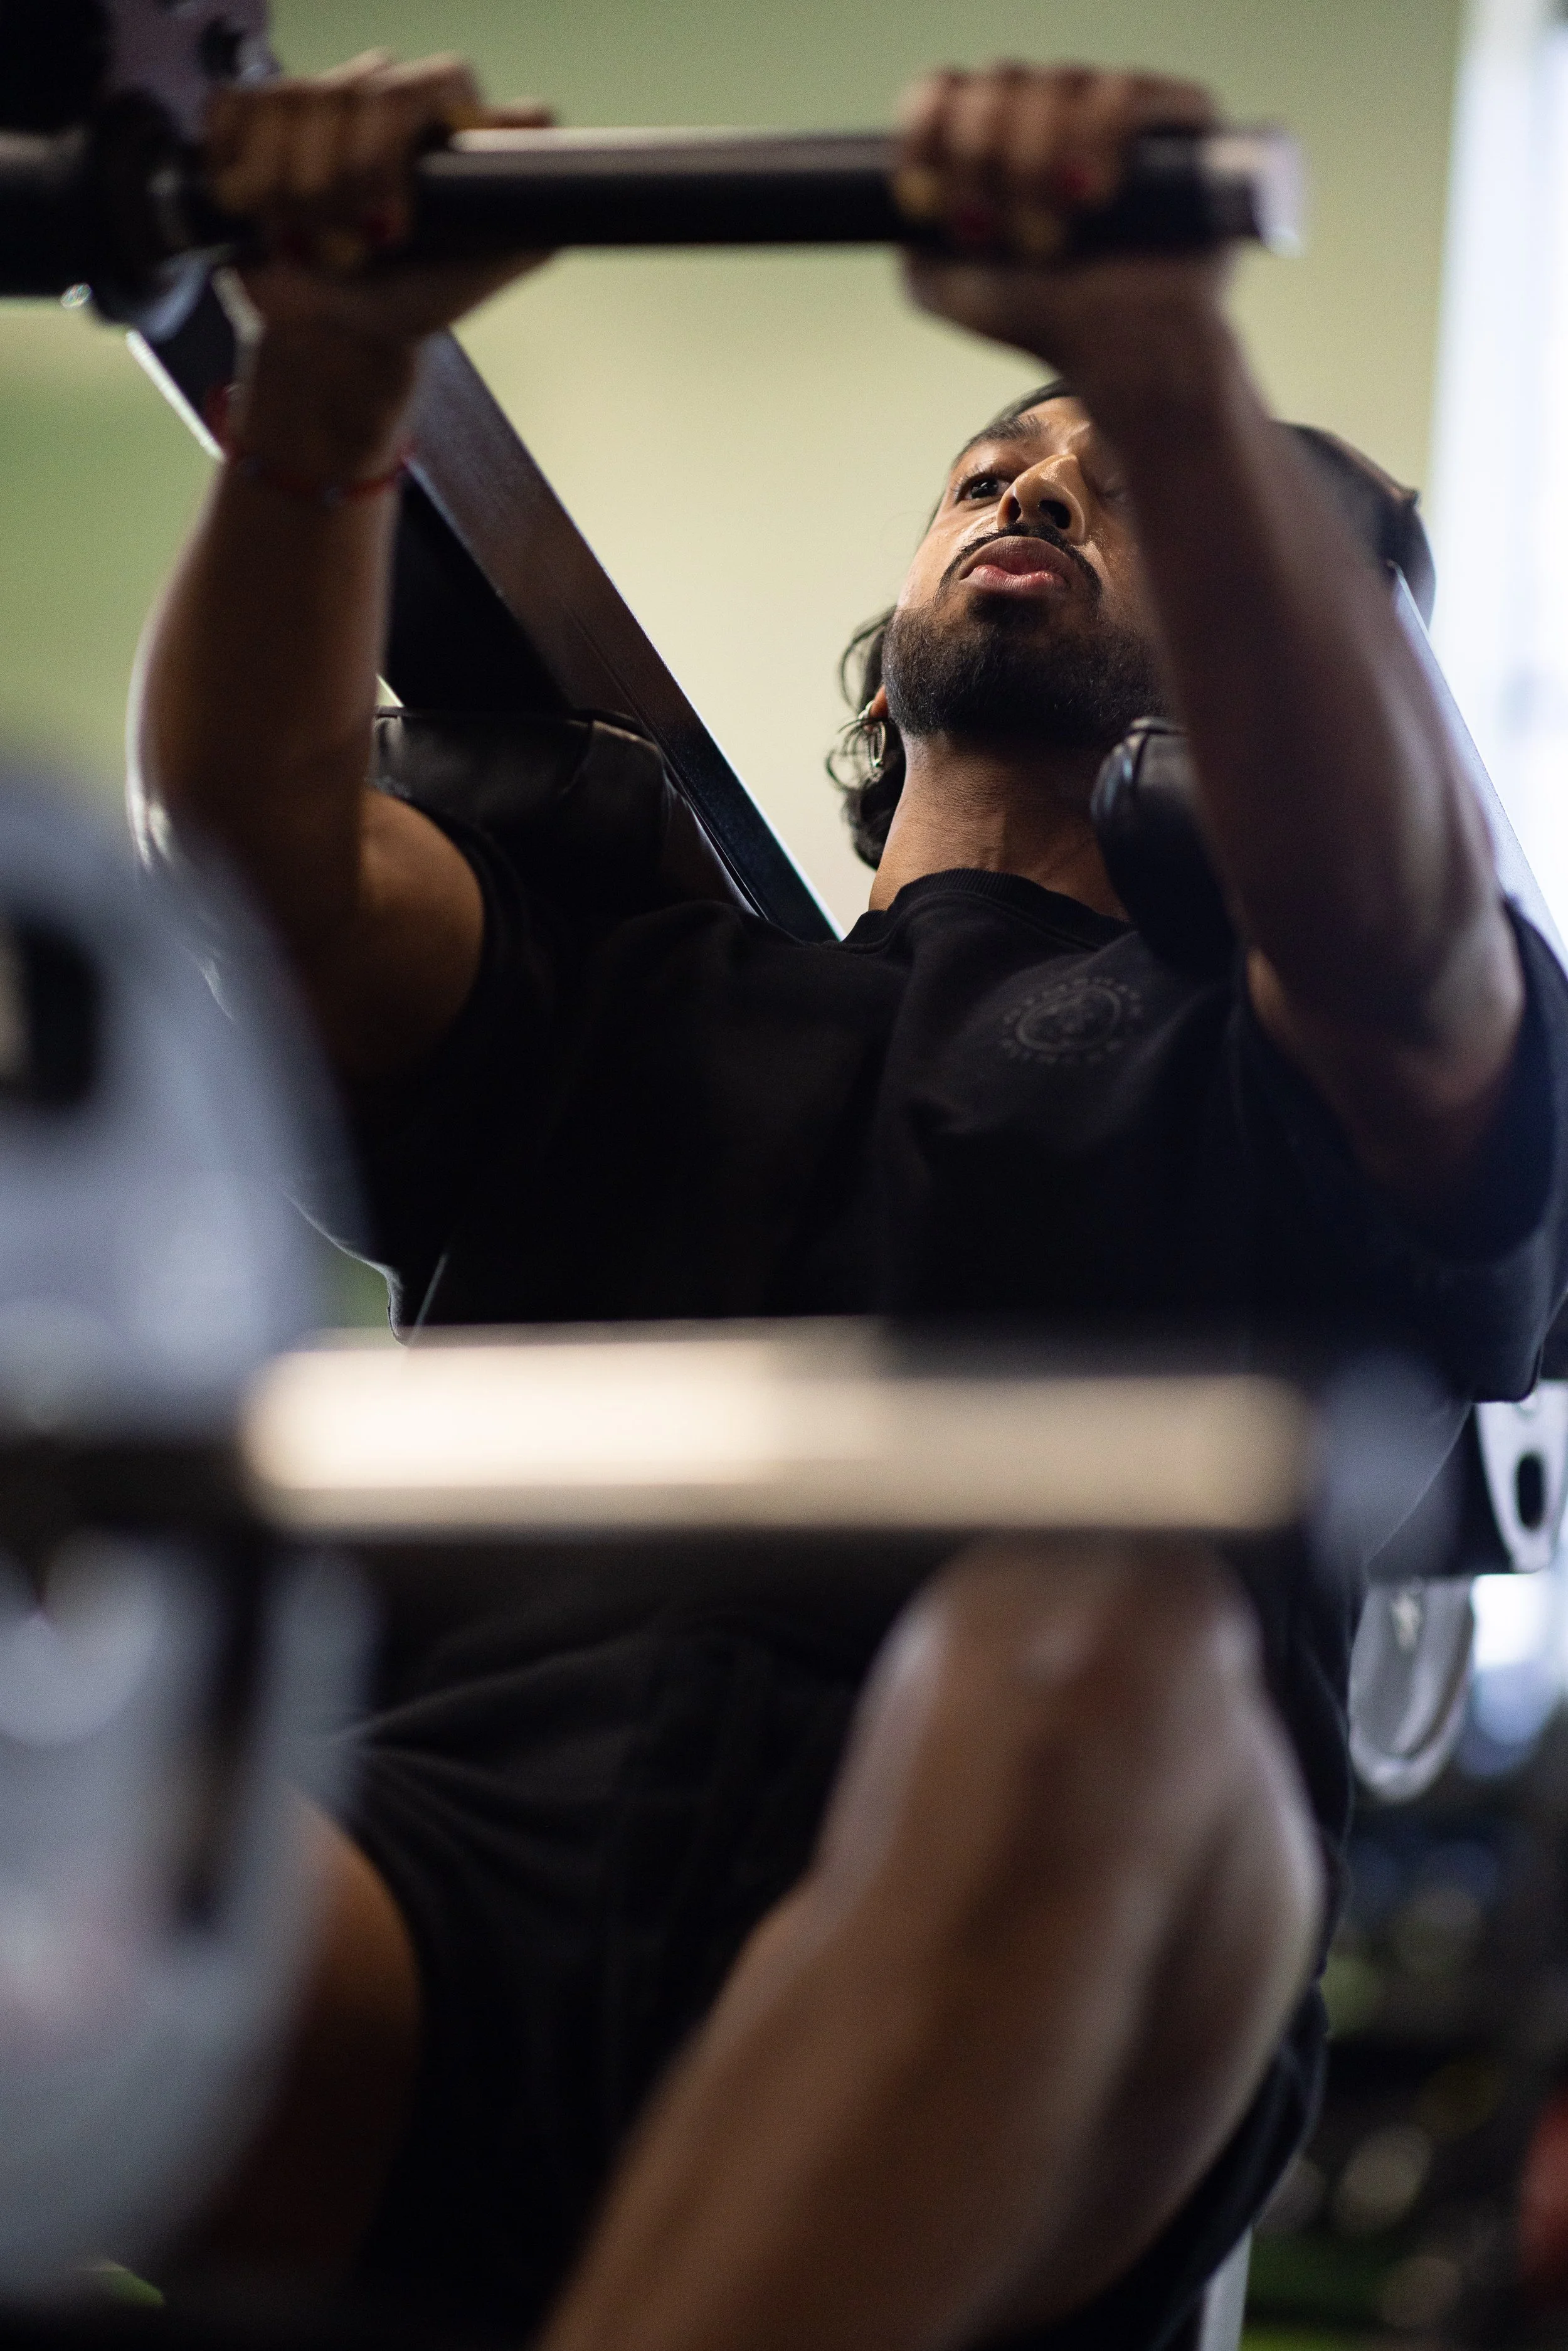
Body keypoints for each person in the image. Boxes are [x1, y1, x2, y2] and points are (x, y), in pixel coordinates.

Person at [132, 48, 1568, 2351]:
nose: (1027, 476)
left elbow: (1403, 945)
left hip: (1046, 1945)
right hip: (437, 1893)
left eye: (1121, 490)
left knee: (1097, 1645)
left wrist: (1153, 364)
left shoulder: (1304, 1061)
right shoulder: (615, 962)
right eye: (997, 463)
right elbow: (264, 857)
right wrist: (332, 353)